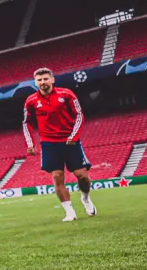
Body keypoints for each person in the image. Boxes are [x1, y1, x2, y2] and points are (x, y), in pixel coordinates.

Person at [23, 67, 96, 222]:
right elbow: (27, 122)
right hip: (49, 144)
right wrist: (30, 143)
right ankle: (69, 211)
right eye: (39, 80)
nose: (43, 82)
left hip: (70, 141)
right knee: (57, 176)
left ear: (52, 80)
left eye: (45, 79)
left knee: (81, 175)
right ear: (35, 82)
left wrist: (74, 136)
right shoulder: (31, 101)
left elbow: (79, 116)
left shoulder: (66, 94)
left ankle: (86, 198)